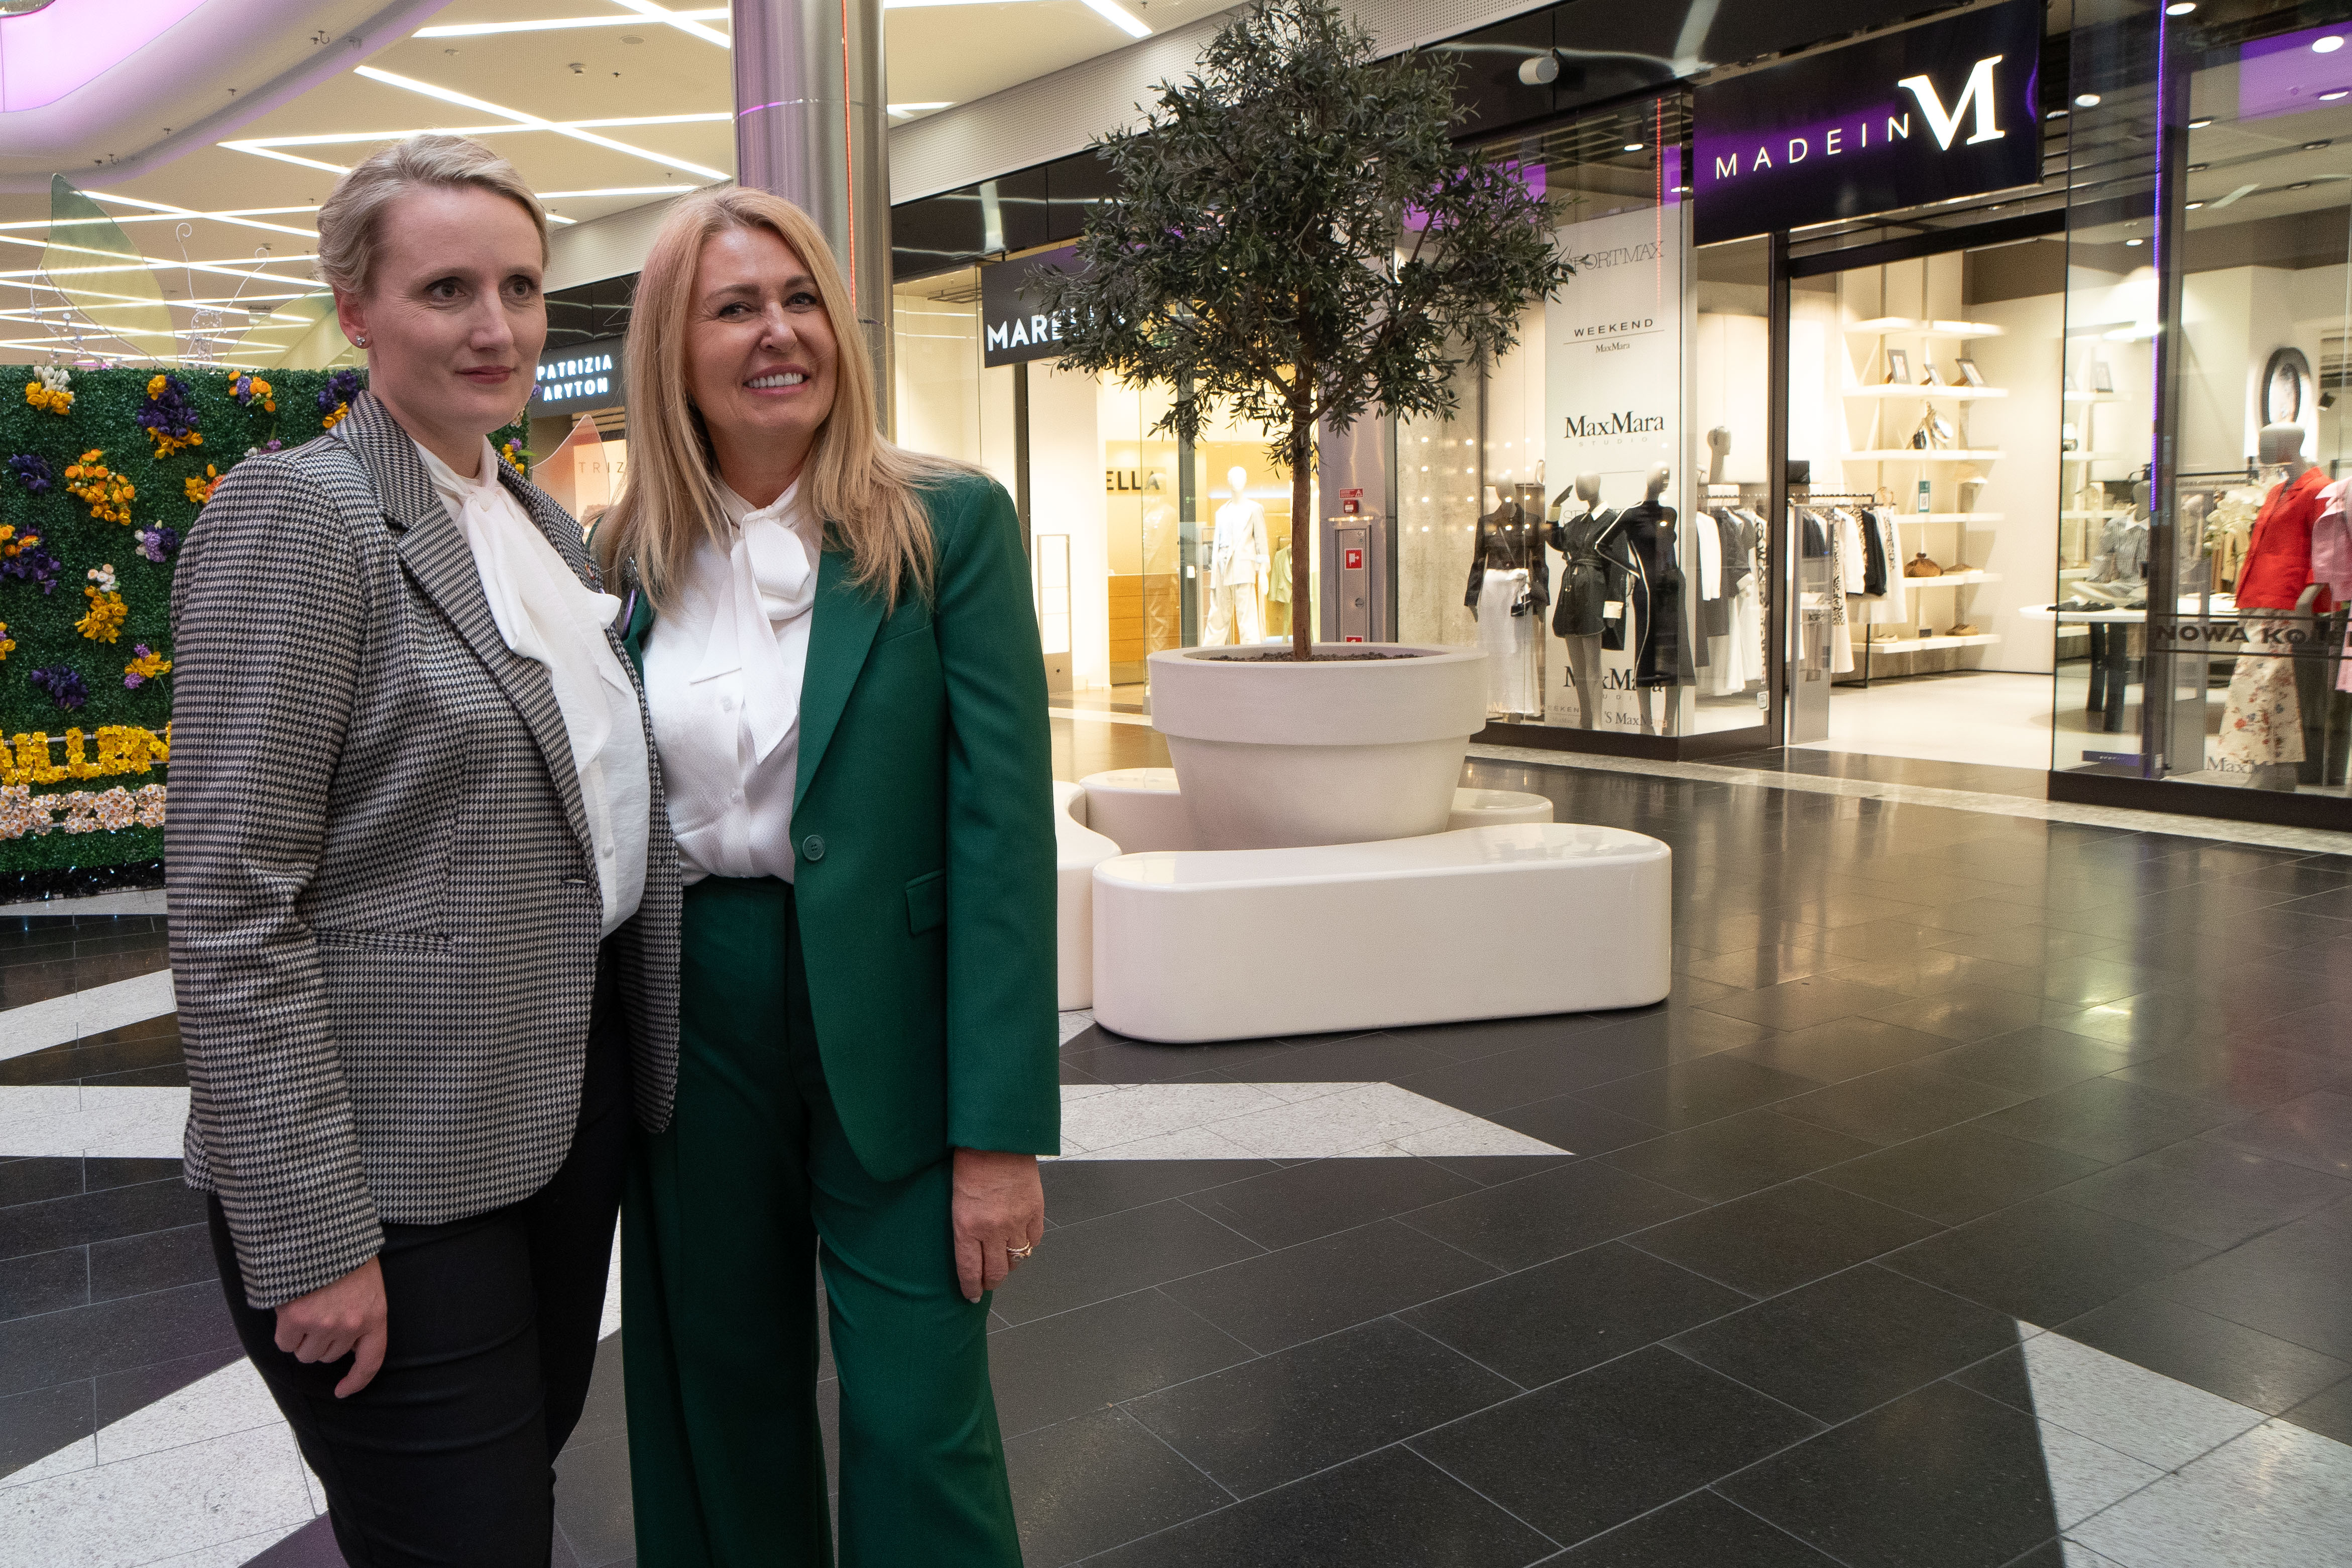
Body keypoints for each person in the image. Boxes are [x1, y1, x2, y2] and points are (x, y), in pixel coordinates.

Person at [167, 134, 681, 1565]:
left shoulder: (541, 527)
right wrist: (311, 1234)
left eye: (520, 286)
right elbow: (232, 901)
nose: (495, 325)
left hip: (555, 1118)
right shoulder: (302, 515)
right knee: (466, 1535)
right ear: (357, 311)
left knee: (507, 1490)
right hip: (387, 1170)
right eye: (446, 288)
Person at [595, 186, 1057, 1567]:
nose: (778, 332)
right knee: (721, 1398)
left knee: (919, 1413)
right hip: (695, 1011)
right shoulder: (623, 555)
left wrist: (999, 1135)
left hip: (893, 1014)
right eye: (734, 307)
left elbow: (1002, 838)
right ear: (672, 348)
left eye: (801, 300)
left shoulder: (947, 523)